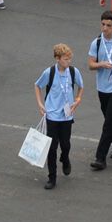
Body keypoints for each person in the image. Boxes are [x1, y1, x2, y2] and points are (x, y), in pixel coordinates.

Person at [34, 43, 83, 188]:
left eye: (69, 59)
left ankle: (65, 158)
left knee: (66, 144)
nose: (68, 62)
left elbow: (81, 88)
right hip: (52, 116)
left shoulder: (74, 72)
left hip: (67, 116)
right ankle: (52, 177)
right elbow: (37, 86)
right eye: (66, 59)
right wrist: (40, 104)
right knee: (52, 147)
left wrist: (78, 100)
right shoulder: (50, 72)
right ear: (57, 58)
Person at [87, 9, 112, 171]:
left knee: (108, 123)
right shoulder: (96, 42)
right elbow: (90, 64)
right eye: (103, 24)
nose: (104, 28)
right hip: (101, 88)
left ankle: (100, 158)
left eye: (108, 25)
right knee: (109, 120)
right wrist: (101, 64)